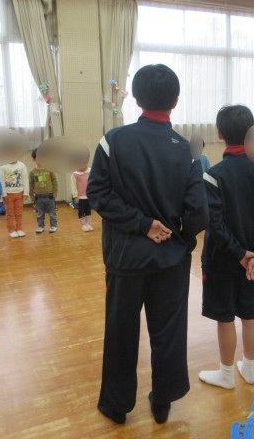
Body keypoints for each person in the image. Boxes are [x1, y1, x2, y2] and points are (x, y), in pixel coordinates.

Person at [88, 64, 208, 425]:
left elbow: (97, 194)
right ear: (175, 100)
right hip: (170, 260)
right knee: (168, 333)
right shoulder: (188, 151)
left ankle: (116, 405)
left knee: (121, 331)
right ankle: (163, 400)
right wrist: (180, 243)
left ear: (137, 99)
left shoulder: (113, 141)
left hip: (125, 259)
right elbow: (199, 212)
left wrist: (141, 225)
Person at [198, 105, 254, 390]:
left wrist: (239, 253)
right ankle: (250, 368)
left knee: (225, 316)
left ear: (220, 134)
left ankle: (227, 374)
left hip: (221, 259)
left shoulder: (213, 175)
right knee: (248, 311)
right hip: (252, 261)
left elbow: (215, 224)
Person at [0, 159, 29, 238]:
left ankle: (19, 229)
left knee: (19, 213)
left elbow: (25, 179)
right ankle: (11, 230)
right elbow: (0, 181)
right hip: (8, 195)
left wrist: (26, 192)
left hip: (19, 193)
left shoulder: (22, 165)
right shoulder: (2, 166)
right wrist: (3, 194)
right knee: (10, 214)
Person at [29, 149, 58, 234]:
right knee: (40, 213)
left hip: (50, 196)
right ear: (34, 159)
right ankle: (40, 226)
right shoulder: (32, 172)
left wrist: (55, 192)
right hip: (38, 197)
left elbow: (54, 181)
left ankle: (53, 226)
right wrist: (32, 196)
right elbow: (31, 184)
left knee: (52, 213)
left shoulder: (50, 170)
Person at [70, 163, 93, 232]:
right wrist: (75, 196)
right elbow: (73, 185)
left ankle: (88, 224)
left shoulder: (90, 171)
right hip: (80, 197)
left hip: (89, 196)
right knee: (81, 211)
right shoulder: (75, 174)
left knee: (88, 211)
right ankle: (83, 225)